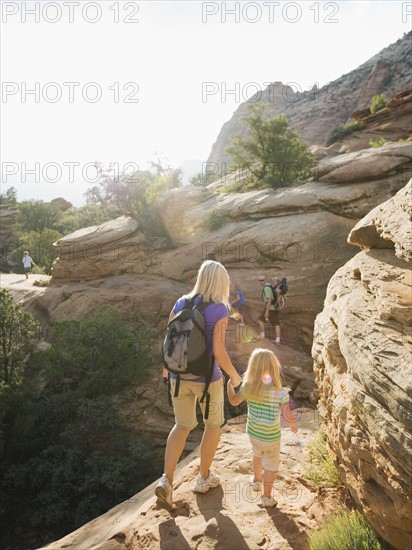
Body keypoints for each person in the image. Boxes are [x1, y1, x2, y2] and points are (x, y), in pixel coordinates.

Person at [155, 260, 242, 509]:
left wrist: (167, 372)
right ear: (221, 283)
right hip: (207, 380)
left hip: (177, 377)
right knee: (213, 424)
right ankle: (203, 478)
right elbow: (219, 352)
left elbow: (169, 339)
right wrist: (236, 378)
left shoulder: (181, 302)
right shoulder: (219, 310)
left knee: (181, 425)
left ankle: (166, 481)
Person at [227, 348, 298, 507]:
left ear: (252, 367)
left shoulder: (247, 387)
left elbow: (233, 401)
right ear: (274, 368)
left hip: (254, 434)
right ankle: (266, 498)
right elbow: (287, 415)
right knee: (271, 466)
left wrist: (229, 386)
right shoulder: (281, 392)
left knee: (257, 455)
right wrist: (293, 424)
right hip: (271, 437)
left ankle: (256, 480)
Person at [257, 275, 281, 344]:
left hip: (270, 308)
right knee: (276, 324)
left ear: (265, 280)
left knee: (261, 320)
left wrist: (267, 311)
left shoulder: (266, 288)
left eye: (262, 280)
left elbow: (269, 299)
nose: (260, 282)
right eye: (259, 280)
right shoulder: (270, 286)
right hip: (275, 308)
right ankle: (278, 340)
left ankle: (262, 335)